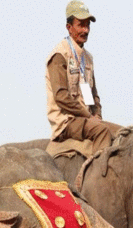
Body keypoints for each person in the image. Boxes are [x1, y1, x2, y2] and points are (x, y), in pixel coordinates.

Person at [46, 1, 121, 153]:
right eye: (81, 25)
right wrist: (88, 116)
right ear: (69, 27)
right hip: (67, 122)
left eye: (88, 25)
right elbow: (61, 96)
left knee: (124, 133)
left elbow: (94, 96)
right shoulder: (60, 55)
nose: (85, 30)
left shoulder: (88, 58)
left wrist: (97, 115)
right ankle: (99, 175)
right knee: (102, 131)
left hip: (87, 120)